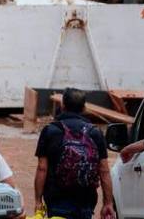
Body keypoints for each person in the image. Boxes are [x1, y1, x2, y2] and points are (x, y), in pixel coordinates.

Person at [34, 88, 114, 219]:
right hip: (86, 200)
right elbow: (104, 170)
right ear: (84, 108)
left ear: (62, 105)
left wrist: (38, 200)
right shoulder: (95, 132)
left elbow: (42, 168)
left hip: (57, 199)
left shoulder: (50, 131)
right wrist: (108, 203)